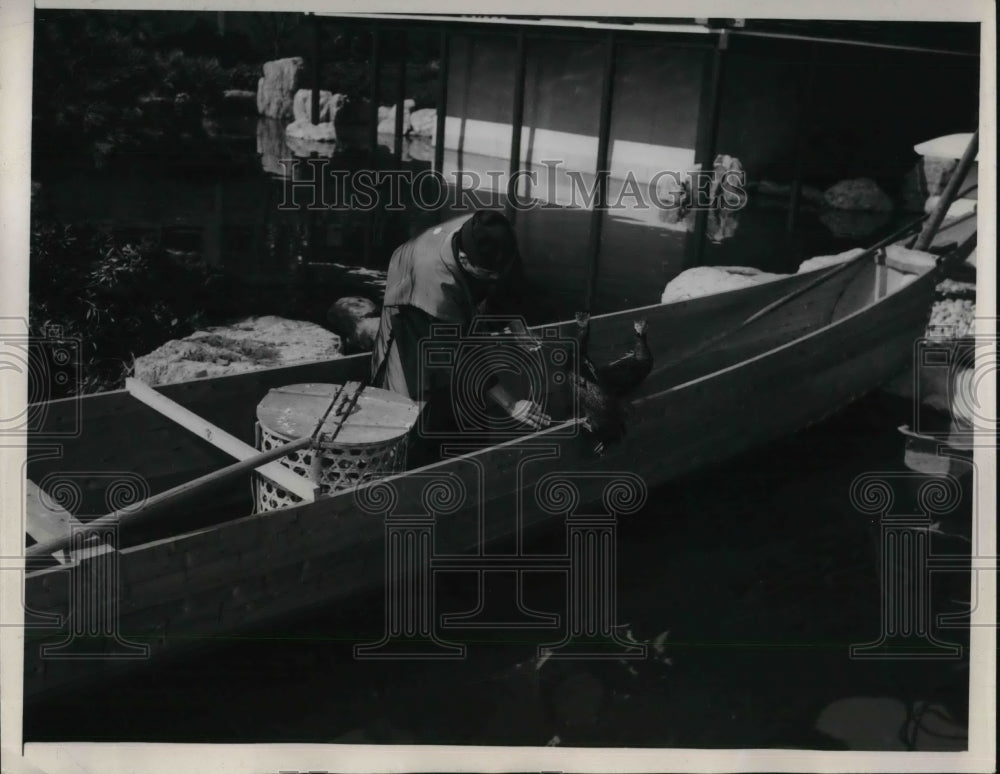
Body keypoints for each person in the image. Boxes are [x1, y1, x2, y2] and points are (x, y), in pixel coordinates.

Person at [370, 210, 551, 458]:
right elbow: (458, 356)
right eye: (488, 274)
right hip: (412, 304)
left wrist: (515, 322)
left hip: (451, 301)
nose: (495, 279)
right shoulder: (431, 284)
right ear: (464, 260)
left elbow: (510, 280)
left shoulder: (493, 237)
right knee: (418, 400)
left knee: (471, 406)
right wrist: (510, 404)